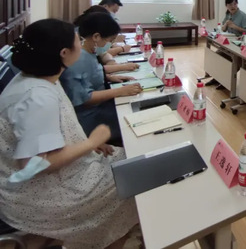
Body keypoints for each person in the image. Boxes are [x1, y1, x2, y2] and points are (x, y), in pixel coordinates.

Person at [0, 19, 138, 248]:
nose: (82, 45)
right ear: (64, 53)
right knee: (131, 177)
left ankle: (114, 233)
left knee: (130, 160)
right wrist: (90, 142)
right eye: (78, 41)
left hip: (56, 175)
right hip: (38, 193)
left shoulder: (41, 78)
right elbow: (35, 164)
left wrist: (85, 143)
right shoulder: (37, 96)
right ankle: (110, 238)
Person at [60, 13, 142, 145]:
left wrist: (109, 77)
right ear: (96, 36)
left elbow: (90, 75)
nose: (109, 45)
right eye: (109, 40)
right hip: (91, 117)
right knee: (137, 121)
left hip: (101, 106)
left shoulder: (89, 52)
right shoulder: (79, 58)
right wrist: (120, 91)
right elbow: (84, 98)